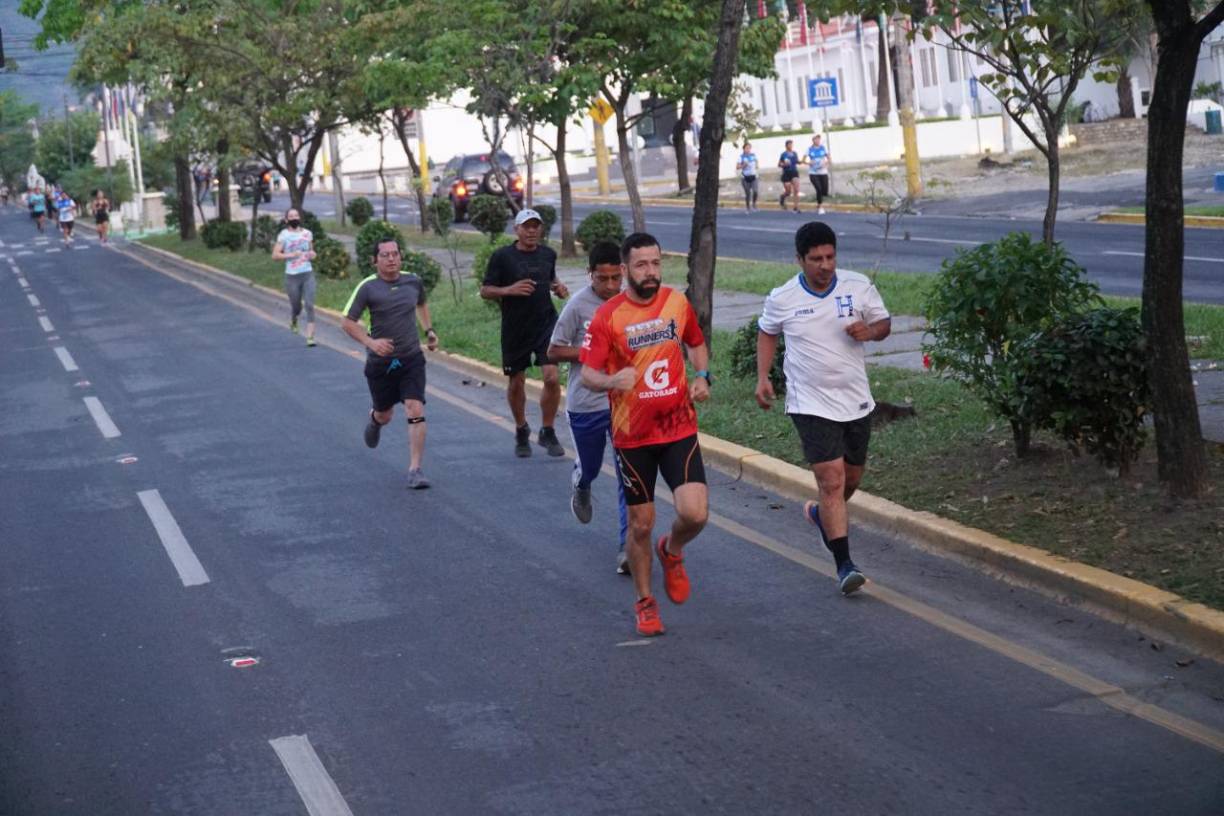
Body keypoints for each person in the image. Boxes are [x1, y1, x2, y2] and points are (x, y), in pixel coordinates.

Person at [580, 232, 711, 637]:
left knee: (695, 514)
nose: (650, 271)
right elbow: (588, 373)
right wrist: (610, 380)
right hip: (633, 437)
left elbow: (696, 342)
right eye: (641, 265)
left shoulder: (676, 301)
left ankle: (671, 551)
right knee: (640, 524)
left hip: (678, 427)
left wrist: (702, 375)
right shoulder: (608, 317)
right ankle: (644, 601)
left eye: (655, 263)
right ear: (624, 270)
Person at [754, 221, 892, 595]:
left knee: (851, 480)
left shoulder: (857, 285)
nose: (825, 265)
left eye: (830, 256)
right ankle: (844, 564)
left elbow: (884, 323)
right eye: (816, 259)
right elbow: (767, 331)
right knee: (830, 481)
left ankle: (820, 514)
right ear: (799, 259)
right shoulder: (783, 297)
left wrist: (871, 331)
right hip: (809, 402)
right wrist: (763, 376)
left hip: (855, 399)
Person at [546, 241, 630, 575]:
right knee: (593, 467)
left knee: (630, 478)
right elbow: (553, 349)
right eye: (602, 279)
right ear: (589, 275)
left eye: (615, 278)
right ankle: (582, 484)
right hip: (587, 404)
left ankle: (628, 547)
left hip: (624, 403)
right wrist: (590, 352)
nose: (610, 286)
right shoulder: (578, 305)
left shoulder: (631, 300)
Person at [342, 238, 439, 490]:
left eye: (395, 254)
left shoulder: (413, 281)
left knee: (415, 408)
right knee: (386, 414)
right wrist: (372, 343)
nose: (391, 259)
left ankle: (415, 469)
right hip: (382, 363)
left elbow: (421, 303)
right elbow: (348, 323)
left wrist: (429, 330)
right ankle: (375, 419)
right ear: (375, 260)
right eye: (385, 255)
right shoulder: (368, 288)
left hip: (410, 359)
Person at [480, 208, 570, 458]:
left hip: (545, 323)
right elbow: (486, 290)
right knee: (516, 380)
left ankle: (548, 430)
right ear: (516, 230)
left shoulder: (548, 254)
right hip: (515, 327)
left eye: (535, 226)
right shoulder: (502, 257)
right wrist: (509, 290)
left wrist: (559, 288)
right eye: (526, 226)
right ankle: (521, 428)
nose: (531, 231)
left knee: (551, 377)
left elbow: (550, 279)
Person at [272, 208, 318, 347]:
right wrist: (290, 255)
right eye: (291, 216)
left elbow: (311, 251)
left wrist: (312, 255)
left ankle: (310, 337)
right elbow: (275, 255)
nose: (294, 218)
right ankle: (294, 319)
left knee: (309, 304)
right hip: (292, 276)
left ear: (300, 218)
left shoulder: (307, 234)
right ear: (286, 220)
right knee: (296, 306)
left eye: (296, 215)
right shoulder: (283, 235)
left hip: (307, 273)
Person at [805, 134, 832, 215]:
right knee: (818, 189)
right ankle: (820, 207)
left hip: (823, 172)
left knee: (825, 191)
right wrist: (809, 162)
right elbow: (803, 160)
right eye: (816, 139)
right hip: (813, 172)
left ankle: (818, 203)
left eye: (818, 139)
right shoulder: (809, 149)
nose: (817, 141)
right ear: (813, 140)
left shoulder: (823, 148)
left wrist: (826, 163)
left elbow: (829, 158)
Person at [778, 139, 801, 213]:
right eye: (789, 145)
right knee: (788, 192)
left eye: (791, 144)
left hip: (794, 172)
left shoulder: (794, 153)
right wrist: (784, 164)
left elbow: (796, 161)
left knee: (796, 189)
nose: (791, 146)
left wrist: (800, 162)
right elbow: (779, 164)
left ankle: (796, 207)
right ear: (786, 146)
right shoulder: (783, 154)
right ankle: (782, 197)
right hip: (786, 173)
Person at [736, 142, 760, 213]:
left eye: (749, 148)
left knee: (755, 191)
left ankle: (754, 203)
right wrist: (743, 165)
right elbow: (737, 167)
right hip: (745, 177)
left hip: (754, 176)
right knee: (748, 193)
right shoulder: (741, 157)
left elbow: (756, 162)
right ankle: (748, 207)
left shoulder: (753, 155)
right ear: (743, 149)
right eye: (746, 148)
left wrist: (757, 165)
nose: (748, 149)